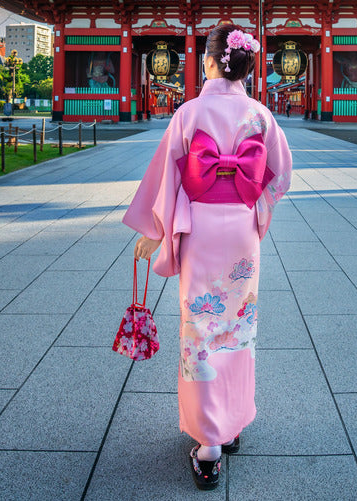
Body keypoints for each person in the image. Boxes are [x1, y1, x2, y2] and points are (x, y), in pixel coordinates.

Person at [123, 24, 293, 491]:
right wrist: (255, 206)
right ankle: (232, 422)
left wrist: (157, 231)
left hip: (198, 229)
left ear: (212, 62)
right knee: (237, 326)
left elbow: (166, 180)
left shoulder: (189, 113)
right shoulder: (260, 114)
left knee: (200, 328)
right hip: (240, 231)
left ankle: (209, 447)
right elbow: (280, 174)